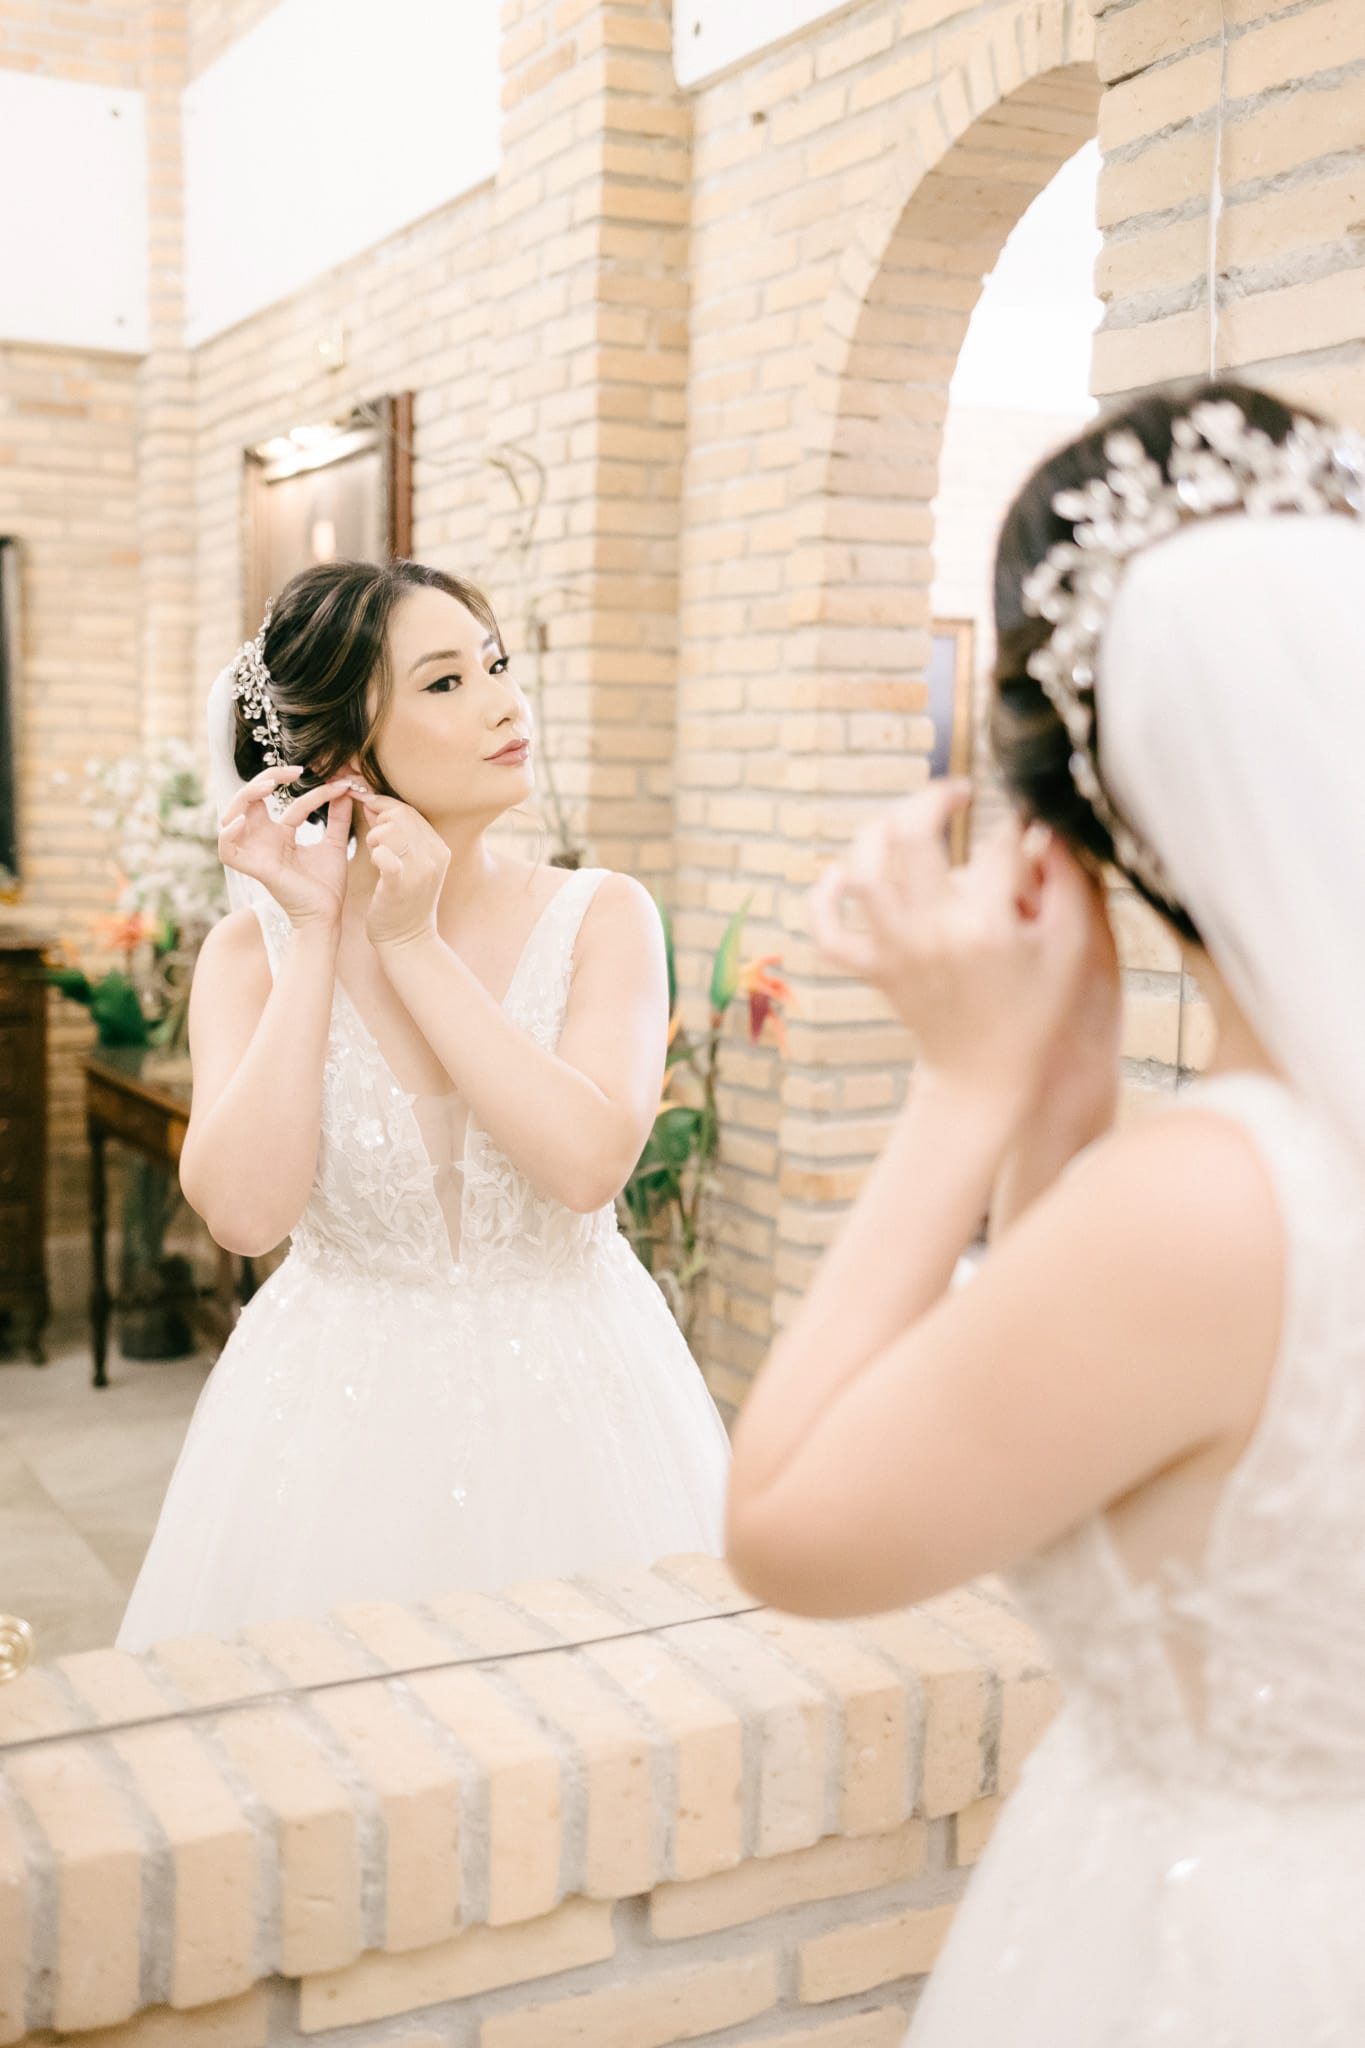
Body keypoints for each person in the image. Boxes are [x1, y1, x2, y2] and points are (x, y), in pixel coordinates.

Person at [726, 380, 1365, 2042]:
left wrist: (966, 1087)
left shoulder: (1212, 1203)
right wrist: (1066, 1099)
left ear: (1089, 818)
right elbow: (1111, 1454)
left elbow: (790, 1525)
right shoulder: (1214, 1196)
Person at [119, 558, 728, 1648]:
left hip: (578, 1404)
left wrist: (412, 942)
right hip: (334, 1424)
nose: (504, 702)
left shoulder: (605, 917)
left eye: (496, 665)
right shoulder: (248, 958)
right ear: (346, 756)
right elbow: (246, 1216)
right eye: (446, 682)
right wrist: (316, 932)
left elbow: (587, 1164)